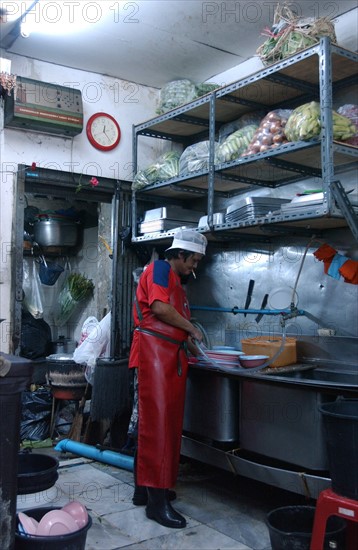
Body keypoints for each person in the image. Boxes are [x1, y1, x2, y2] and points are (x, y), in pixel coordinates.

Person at [128, 229, 208, 528]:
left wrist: (189, 343)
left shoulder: (176, 281)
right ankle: (156, 504)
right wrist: (192, 329)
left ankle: (144, 491)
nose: (194, 267)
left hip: (167, 356)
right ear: (180, 254)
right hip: (153, 357)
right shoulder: (160, 268)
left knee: (158, 425)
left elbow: (171, 320)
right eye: (194, 260)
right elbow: (160, 309)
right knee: (157, 426)